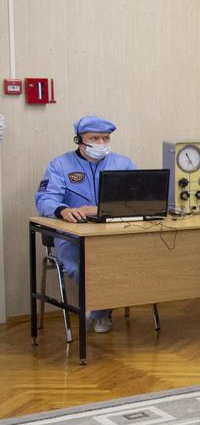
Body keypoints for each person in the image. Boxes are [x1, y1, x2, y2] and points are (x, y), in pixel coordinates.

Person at [34, 116, 137, 333]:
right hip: (72, 237)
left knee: (126, 265)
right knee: (77, 267)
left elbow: (137, 201)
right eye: (95, 138)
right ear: (80, 139)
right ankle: (102, 312)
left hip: (116, 235)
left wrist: (95, 210)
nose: (101, 143)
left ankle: (99, 311)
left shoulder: (123, 164)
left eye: (105, 138)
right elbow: (45, 198)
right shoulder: (60, 165)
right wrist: (62, 210)